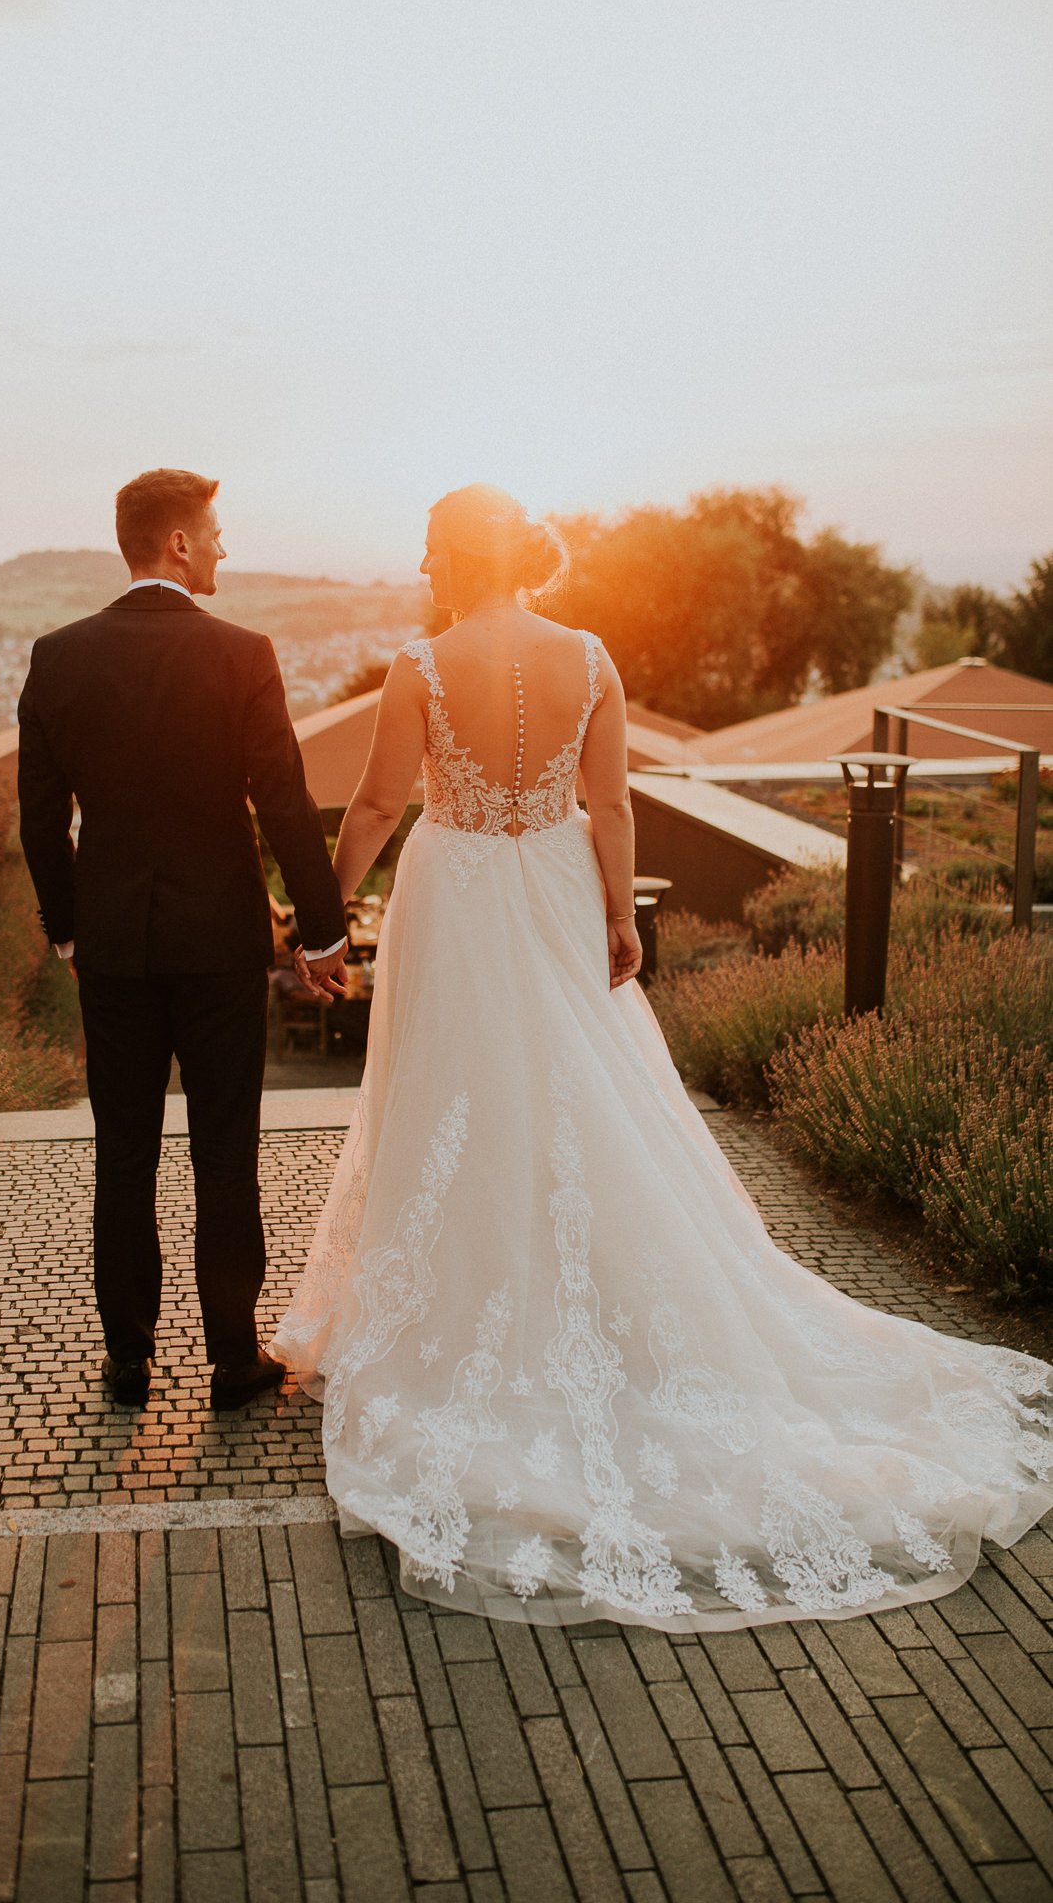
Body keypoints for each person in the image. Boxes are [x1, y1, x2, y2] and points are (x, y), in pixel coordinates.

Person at [272, 483, 1053, 1630]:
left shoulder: (420, 666)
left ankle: (461, 1299)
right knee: (577, 1094)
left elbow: (383, 800)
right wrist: (617, 914)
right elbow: (610, 804)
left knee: (452, 1100)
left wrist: (325, 918)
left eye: (432, 547)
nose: (425, 564)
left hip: (457, 892)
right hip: (553, 883)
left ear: (456, 555)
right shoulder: (589, 656)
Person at [17, 469, 347, 1411]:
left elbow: (41, 820)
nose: (222, 548)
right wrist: (320, 931)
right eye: (214, 533)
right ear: (177, 543)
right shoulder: (242, 653)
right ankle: (233, 1359)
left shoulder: (57, 656)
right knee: (224, 1151)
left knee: (122, 1152)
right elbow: (283, 802)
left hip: (114, 948)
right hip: (220, 946)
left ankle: (127, 1359)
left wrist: (69, 931)